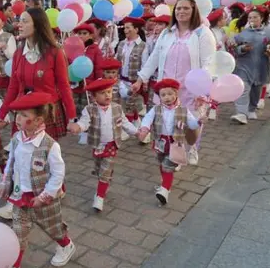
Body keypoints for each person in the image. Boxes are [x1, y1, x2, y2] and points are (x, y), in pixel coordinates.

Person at [0, 92, 76, 268]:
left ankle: (66, 245)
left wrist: (46, 195)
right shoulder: (16, 139)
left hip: (42, 198)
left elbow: (58, 174)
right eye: (16, 114)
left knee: (53, 228)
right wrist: (5, 183)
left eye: (22, 115)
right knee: (18, 232)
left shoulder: (49, 146)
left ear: (38, 120)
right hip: (20, 195)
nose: (17, 119)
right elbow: (10, 163)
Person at [132, 0, 216, 166]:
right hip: (168, 88)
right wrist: (141, 79)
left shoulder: (202, 33)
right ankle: (175, 153)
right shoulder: (167, 32)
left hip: (191, 87)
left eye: (186, 8)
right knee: (170, 121)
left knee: (192, 120)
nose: (181, 11)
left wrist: (204, 87)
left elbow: (209, 61)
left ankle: (192, 147)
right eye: (178, 8)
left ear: (194, 11)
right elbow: (154, 57)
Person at [0, 8, 76, 140]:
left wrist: (72, 117)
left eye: (25, 21)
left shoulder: (55, 52)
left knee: (42, 157)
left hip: (45, 113)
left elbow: (64, 86)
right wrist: (1, 114)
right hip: (23, 113)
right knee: (21, 155)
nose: (19, 25)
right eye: (19, 21)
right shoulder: (18, 53)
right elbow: (13, 88)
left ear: (38, 25)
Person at [68, 78, 137, 212]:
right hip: (97, 145)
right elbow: (84, 122)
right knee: (100, 170)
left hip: (112, 145)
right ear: (94, 97)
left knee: (105, 170)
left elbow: (125, 123)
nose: (107, 95)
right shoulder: (90, 109)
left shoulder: (117, 108)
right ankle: (105, 181)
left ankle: (99, 197)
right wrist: (78, 127)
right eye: (103, 93)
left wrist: (137, 132)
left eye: (109, 92)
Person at [137, 78, 200, 205]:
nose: (167, 97)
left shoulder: (183, 110)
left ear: (176, 94)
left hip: (175, 143)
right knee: (161, 162)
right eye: (163, 95)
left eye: (170, 94)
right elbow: (147, 119)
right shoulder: (156, 109)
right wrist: (144, 129)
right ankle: (165, 183)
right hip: (160, 141)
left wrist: (199, 121)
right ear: (159, 96)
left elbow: (192, 124)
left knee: (168, 166)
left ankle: (165, 190)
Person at [228, 8, 270, 125]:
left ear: (261, 18)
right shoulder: (243, 33)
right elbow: (234, 48)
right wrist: (242, 48)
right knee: (243, 88)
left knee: (256, 89)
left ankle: (251, 108)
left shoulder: (269, 32)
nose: (252, 20)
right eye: (250, 17)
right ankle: (241, 113)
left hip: (261, 66)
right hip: (244, 65)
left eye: (255, 17)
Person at [70, 23, 105, 145]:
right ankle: (81, 128)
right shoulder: (73, 49)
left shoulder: (95, 50)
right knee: (77, 107)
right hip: (76, 84)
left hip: (89, 86)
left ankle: (88, 132)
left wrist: (98, 83)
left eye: (84, 34)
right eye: (79, 33)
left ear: (90, 35)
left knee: (88, 108)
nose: (81, 36)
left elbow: (98, 67)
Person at [116, 17, 149, 135]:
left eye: (128, 27)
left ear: (136, 29)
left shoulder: (143, 46)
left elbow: (145, 65)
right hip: (121, 80)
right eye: (125, 28)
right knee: (123, 104)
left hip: (134, 81)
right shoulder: (121, 43)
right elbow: (116, 61)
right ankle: (136, 123)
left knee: (130, 105)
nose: (126, 30)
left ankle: (128, 131)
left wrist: (143, 82)